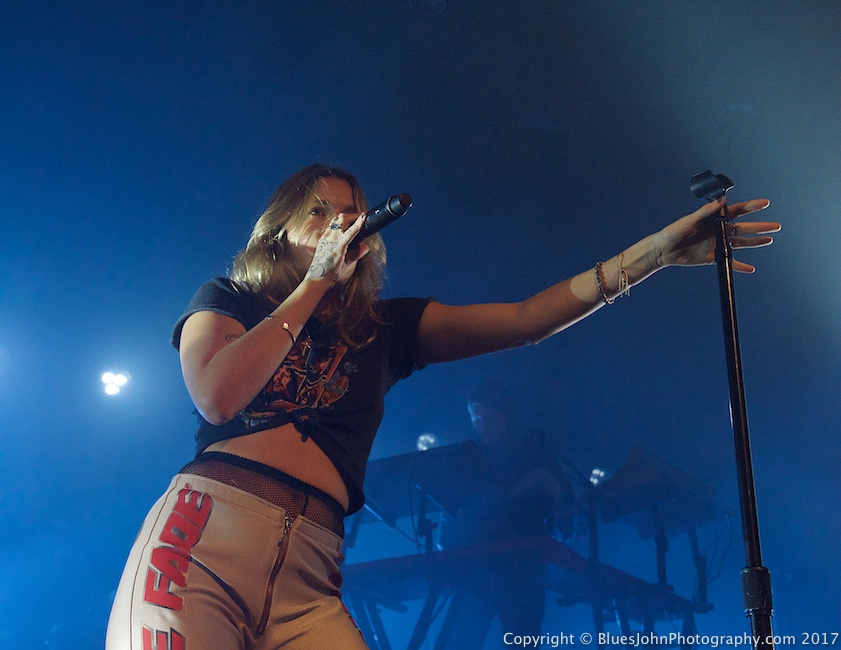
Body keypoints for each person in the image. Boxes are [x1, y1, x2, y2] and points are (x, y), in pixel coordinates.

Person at [105, 163, 778, 649]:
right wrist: (313, 285)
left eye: (350, 210)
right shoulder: (228, 298)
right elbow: (218, 397)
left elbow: (524, 319)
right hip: (206, 536)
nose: (341, 220)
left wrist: (653, 256)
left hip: (311, 572)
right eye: (319, 210)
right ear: (277, 231)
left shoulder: (385, 327)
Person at [434, 381, 576, 649]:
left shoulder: (534, 452)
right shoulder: (465, 458)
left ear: (508, 416)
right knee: (458, 642)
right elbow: (450, 514)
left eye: (490, 418)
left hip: (522, 569)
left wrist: (549, 484)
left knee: (521, 641)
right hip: (475, 569)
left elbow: (567, 510)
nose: (482, 425)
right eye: (475, 419)